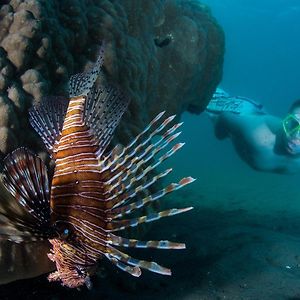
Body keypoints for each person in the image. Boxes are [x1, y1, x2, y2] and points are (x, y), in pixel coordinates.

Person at [205, 88, 300, 174]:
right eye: (293, 124)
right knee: (204, 93)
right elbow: (224, 117)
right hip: (240, 110)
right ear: (286, 119)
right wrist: (220, 135)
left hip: (259, 116)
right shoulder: (257, 135)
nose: (296, 136)